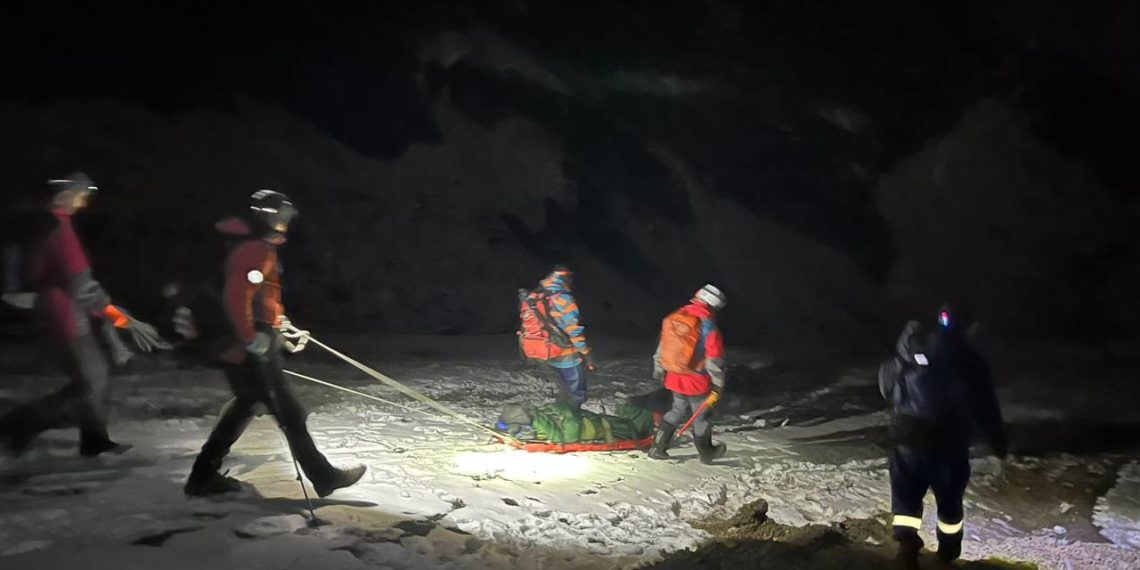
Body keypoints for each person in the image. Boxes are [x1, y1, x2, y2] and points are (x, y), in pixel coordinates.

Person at [184, 189, 365, 497]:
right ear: (266, 216)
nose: (286, 222)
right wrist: (251, 338)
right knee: (289, 412)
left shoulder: (253, 246)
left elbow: (261, 296)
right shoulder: (254, 248)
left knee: (245, 404)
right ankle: (323, 477)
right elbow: (236, 297)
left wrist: (281, 324)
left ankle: (202, 476)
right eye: (282, 215)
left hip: (245, 340)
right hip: (246, 344)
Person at [0, 173, 166, 457]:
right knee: (90, 381)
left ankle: (93, 438)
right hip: (64, 315)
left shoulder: (50, 224)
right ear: (66, 194)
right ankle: (17, 425)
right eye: (82, 194)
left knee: (94, 377)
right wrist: (126, 320)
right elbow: (85, 288)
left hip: (57, 310)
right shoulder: (59, 231)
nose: (85, 200)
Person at [879, 305, 1007, 568]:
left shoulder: (910, 351)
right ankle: (947, 555)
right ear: (965, 329)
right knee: (949, 498)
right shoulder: (972, 361)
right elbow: (985, 407)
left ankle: (906, 547)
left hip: (907, 437)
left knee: (906, 494)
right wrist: (998, 441)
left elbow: (886, 385)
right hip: (949, 443)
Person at [647, 284, 727, 464]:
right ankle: (707, 453)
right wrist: (718, 383)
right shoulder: (708, 326)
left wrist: (659, 368)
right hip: (697, 381)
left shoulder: (674, 317)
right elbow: (714, 359)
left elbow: (663, 347)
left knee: (677, 409)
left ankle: (657, 448)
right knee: (702, 416)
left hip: (674, 376)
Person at [532, 266, 595, 408]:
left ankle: (561, 418)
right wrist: (586, 353)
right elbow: (573, 330)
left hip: (548, 351)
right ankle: (572, 421)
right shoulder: (563, 299)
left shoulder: (539, 296)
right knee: (576, 394)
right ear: (566, 279)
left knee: (563, 391)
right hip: (567, 355)